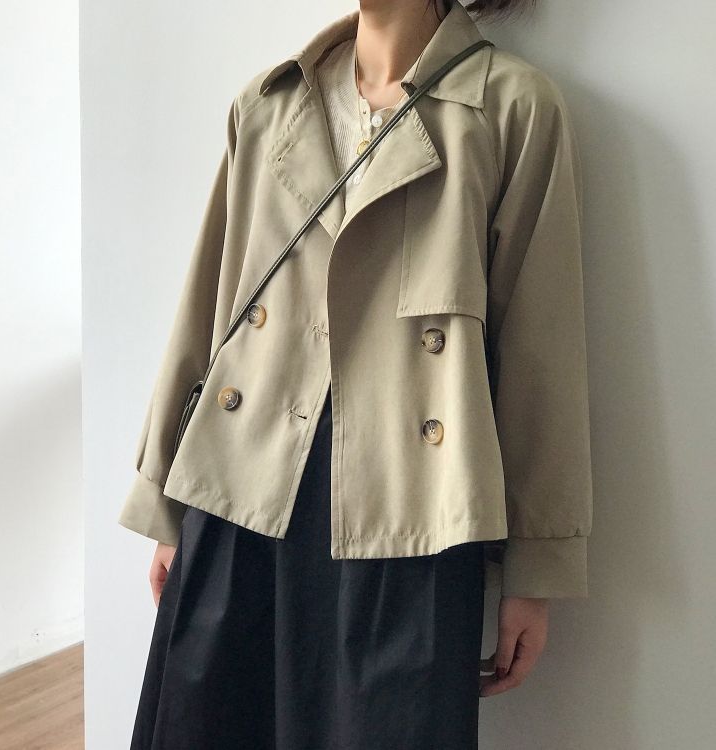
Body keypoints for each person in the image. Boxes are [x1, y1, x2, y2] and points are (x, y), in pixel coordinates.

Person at [118, 0, 593, 747]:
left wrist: (539, 565)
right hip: (240, 495)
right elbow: (213, 305)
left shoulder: (512, 108)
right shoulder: (267, 104)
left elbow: (541, 351)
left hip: (414, 514)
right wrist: (166, 504)